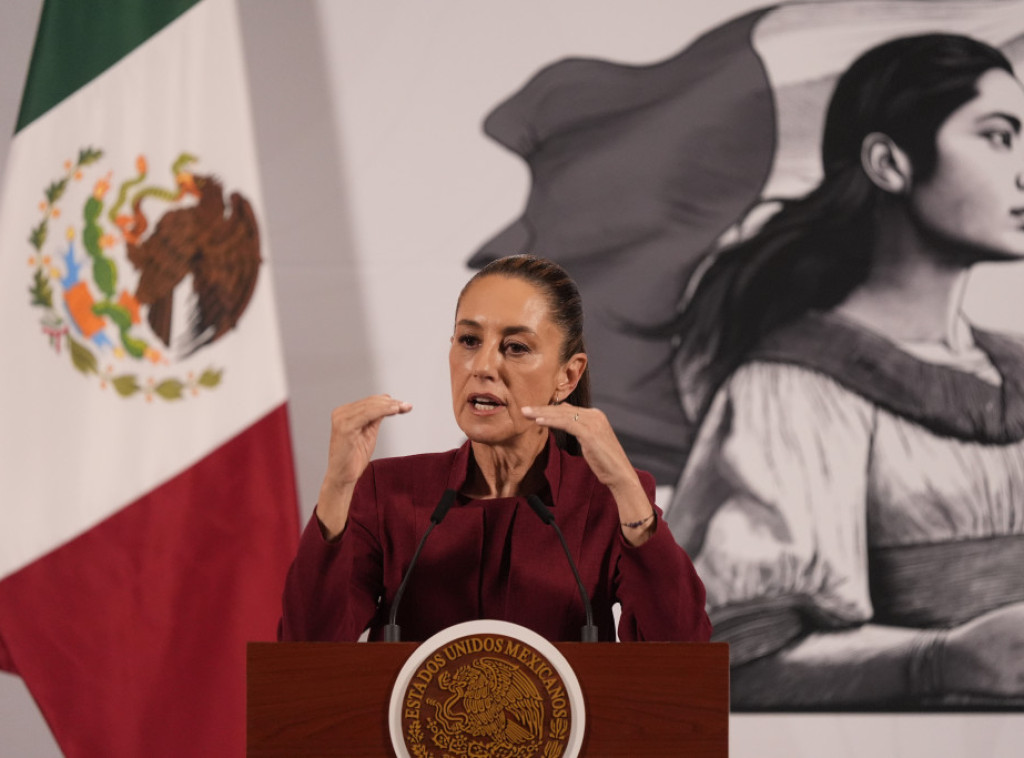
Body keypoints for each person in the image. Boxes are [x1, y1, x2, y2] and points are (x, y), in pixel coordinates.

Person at [664, 33, 1024, 708]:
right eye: (999, 137)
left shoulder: (1016, 367)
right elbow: (731, 656)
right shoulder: (792, 390)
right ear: (889, 163)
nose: (1023, 169)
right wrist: (940, 660)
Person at [279, 254, 711, 644]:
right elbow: (306, 652)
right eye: (469, 340)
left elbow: (682, 657)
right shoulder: (387, 492)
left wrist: (625, 488)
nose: (483, 366)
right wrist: (337, 488)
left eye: (515, 347)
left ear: (567, 376)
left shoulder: (604, 499)